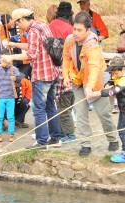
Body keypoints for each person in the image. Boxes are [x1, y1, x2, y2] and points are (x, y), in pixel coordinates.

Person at [3, 8, 62, 148]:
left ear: (22, 19)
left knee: (39, 109)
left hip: (42, 75)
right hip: (52, 72)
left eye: (18, 24)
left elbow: (31, 55)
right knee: (50, 106)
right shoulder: (41, 26)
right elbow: (34, 46)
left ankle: (41, 141)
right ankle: (55, 139)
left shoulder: (33, 31)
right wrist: (15, 44)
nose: (18, 27)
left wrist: (10, 57)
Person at [62, 11, 119, 157]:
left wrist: (89, 86)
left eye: (79, 30)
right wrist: (65, 75)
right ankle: (85, 144)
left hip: (97, 81)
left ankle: (113, 139)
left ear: (88, 30)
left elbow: (94, 67)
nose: (75, 33)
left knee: (103, 114)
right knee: (81, 115)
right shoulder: (69, 40)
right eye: (74, 29)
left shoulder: (93, 44)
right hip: (78, 81)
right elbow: (66, 58)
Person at [89, 57, 125, 163]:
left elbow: (113, 91)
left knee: (123, 131)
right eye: (112, 73)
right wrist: (109, 84)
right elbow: (113, 83)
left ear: (122, 70)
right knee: (121, 129)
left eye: (115, 73)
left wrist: (96, 93)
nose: (113, 75)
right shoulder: (121, 77)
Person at [49, 1, 76, 143]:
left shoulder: (51, 25)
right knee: (66, 105)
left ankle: (64, 132)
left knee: (57, 102)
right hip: (67, 67)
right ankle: (67, 131)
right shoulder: (71, 29)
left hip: (53, 66)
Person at [0, 58, 22, 143]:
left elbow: (19, 79)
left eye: (7, 61)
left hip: (10, 97)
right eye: (3, 61)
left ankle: (11, 134)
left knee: (11, 117)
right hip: (0, 97)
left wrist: (15, 78)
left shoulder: (14, 69)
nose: (5, 62)